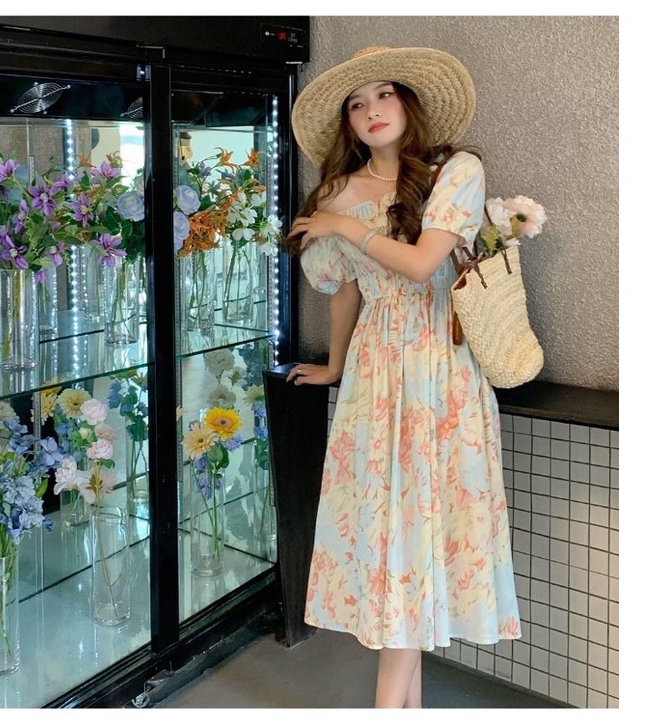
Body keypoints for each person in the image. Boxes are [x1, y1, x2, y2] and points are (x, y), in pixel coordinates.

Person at [284, 46, 522, 708]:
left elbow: (422, 266)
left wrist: (340, 224)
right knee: (391, 539)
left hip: (442, 371)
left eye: (383, 94)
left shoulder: (456, 171)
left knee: (423, 535)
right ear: (347, 123)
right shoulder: (337, 191)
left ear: (408, 103)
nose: (371, 110)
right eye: (356, 104)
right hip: (374, 374)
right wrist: (335, 366)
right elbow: (343, 290)